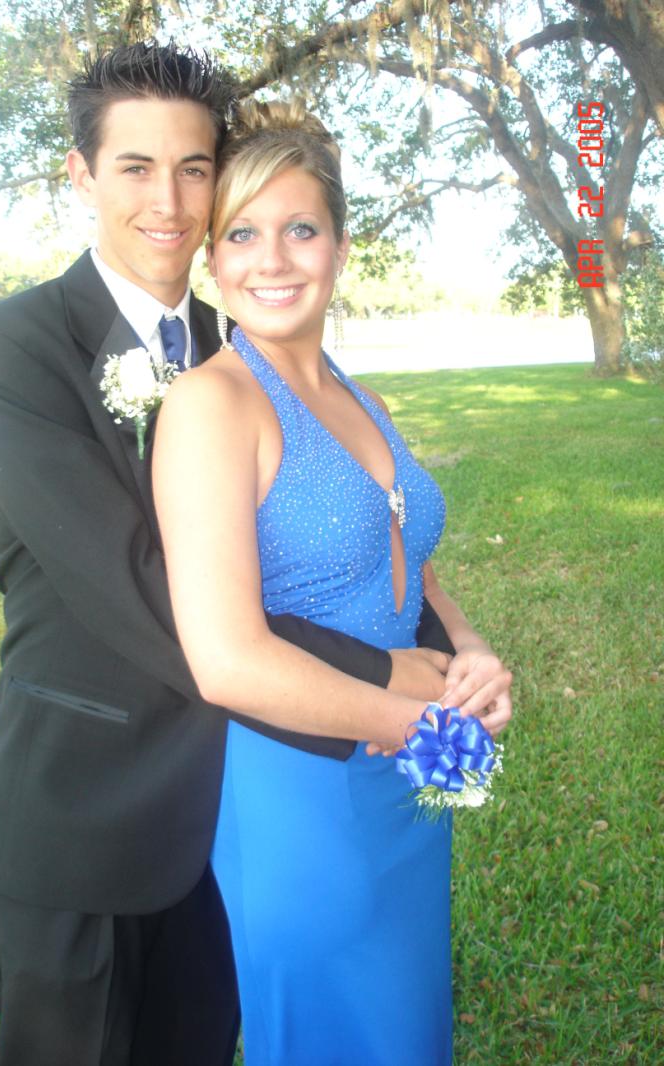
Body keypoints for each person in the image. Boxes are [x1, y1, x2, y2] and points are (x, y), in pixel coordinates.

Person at [0, 43, 460, 1066]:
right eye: (135, 167)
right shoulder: (11, 352)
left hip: (235, 814)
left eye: (193, 168)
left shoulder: (248, 338)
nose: (169, 200)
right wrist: (388, 681)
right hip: (86, 823)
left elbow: (358, 518)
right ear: (81, 174)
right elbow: (142, 590)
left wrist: (453, 648)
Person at [152, 98, 513, 1066]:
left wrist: (468, 650)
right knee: (330, 1035)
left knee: (407, 1030)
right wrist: (426, 726)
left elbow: (407, 557)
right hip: (299, 792)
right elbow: (226, 662)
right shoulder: (212, 405)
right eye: (241, 234)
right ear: (211, 259)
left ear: (341, 247)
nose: (271, 259)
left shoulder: (364, 397)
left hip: (405, 778)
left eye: (300, 229)